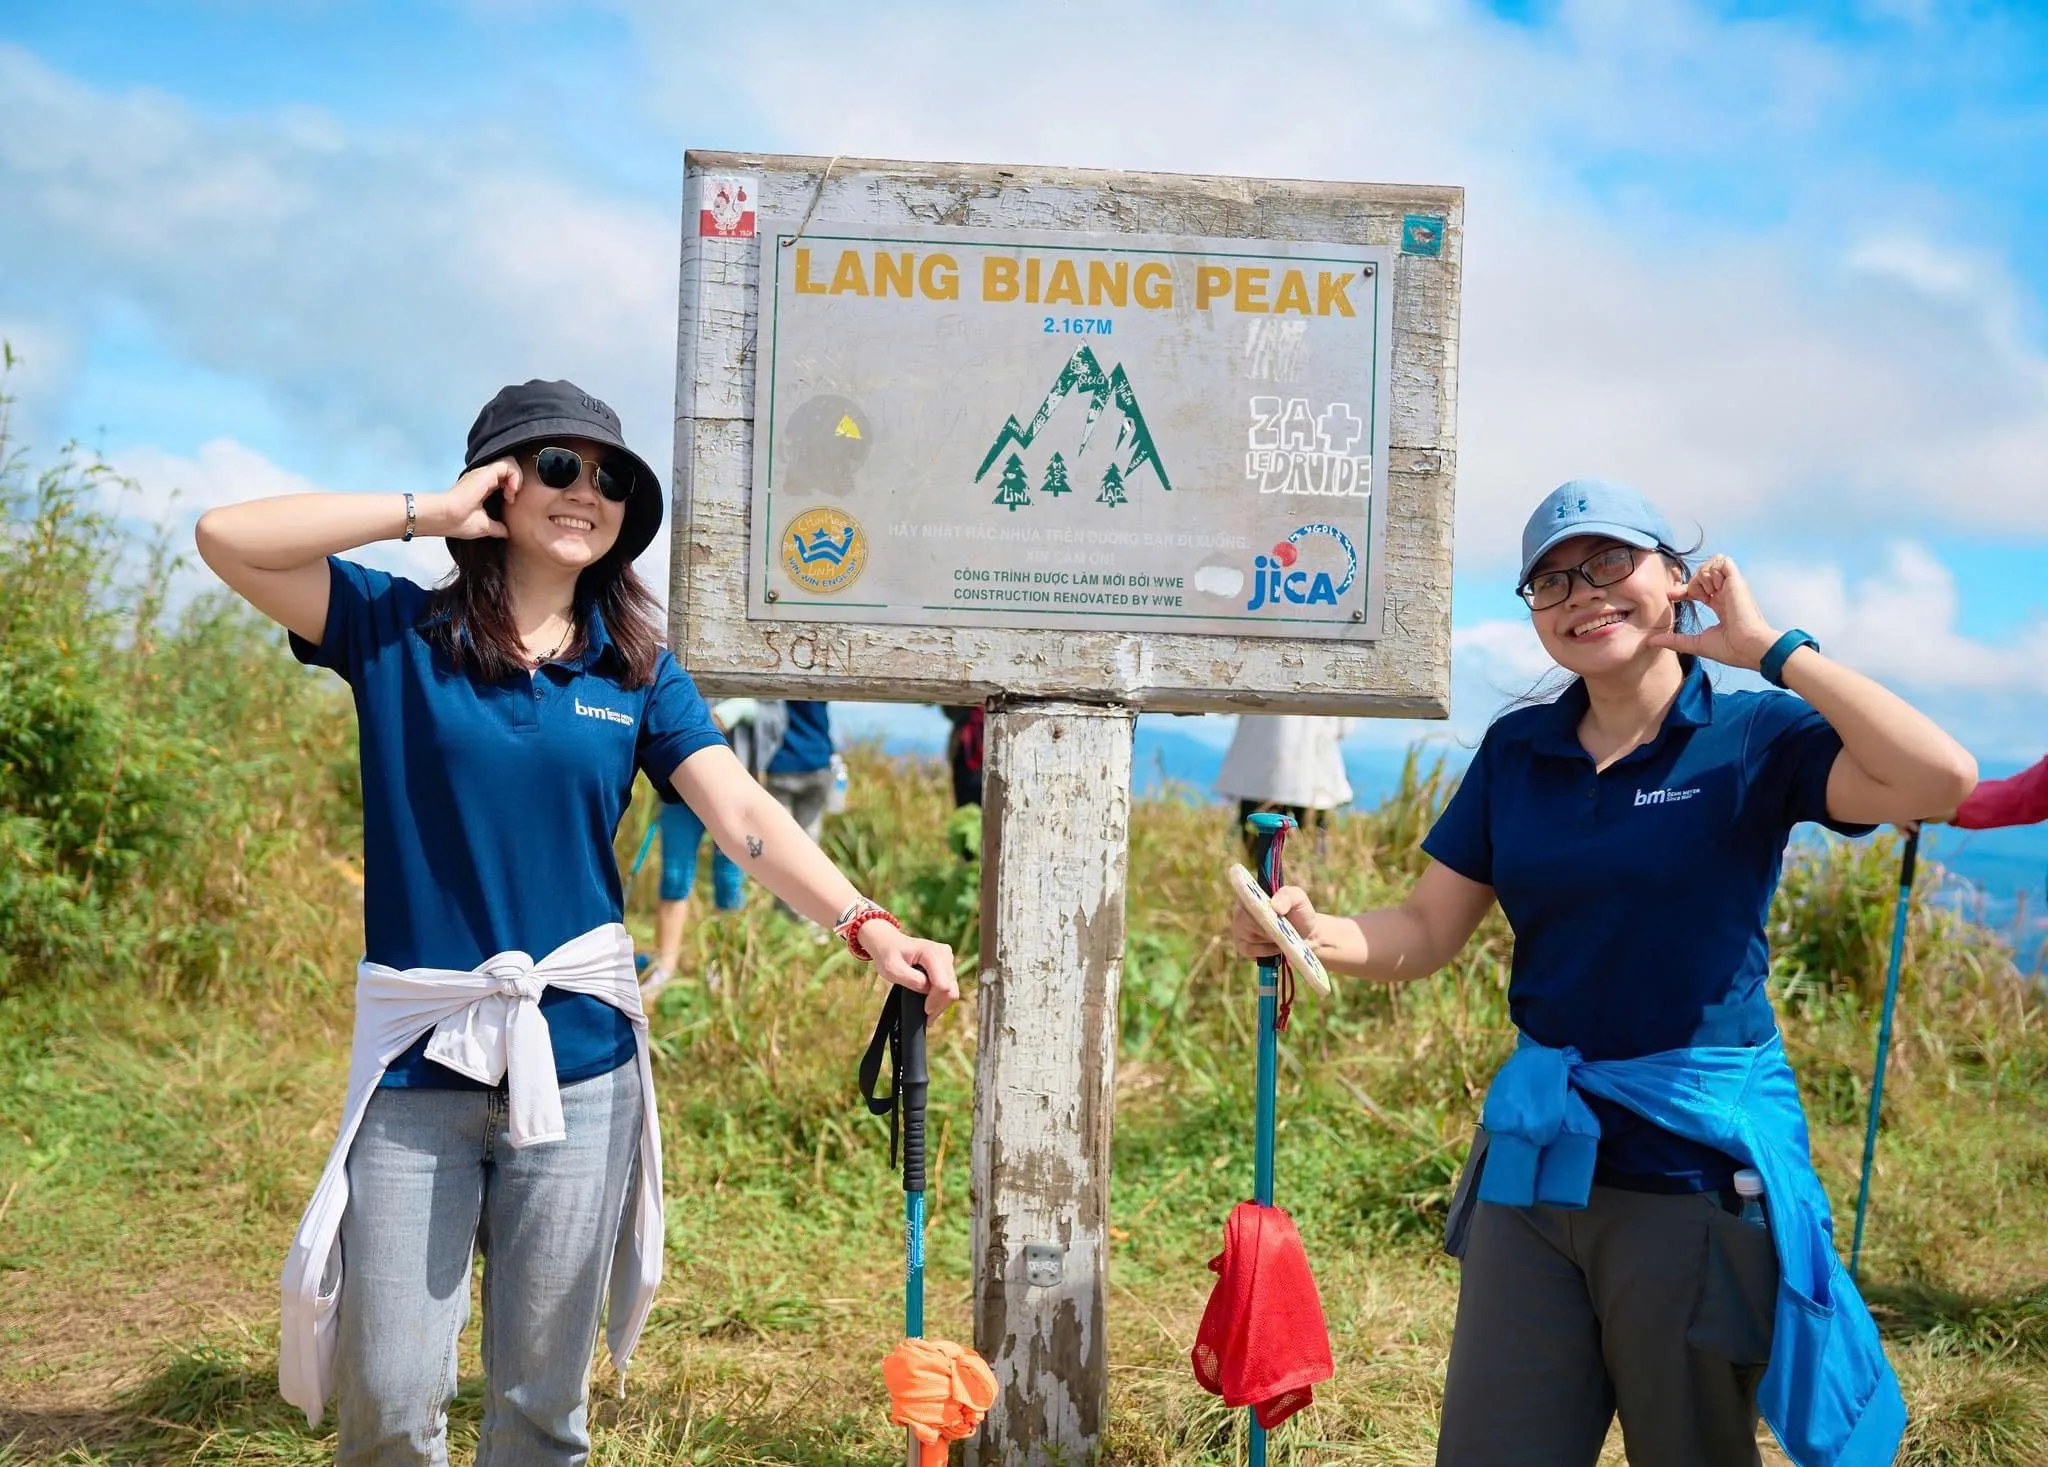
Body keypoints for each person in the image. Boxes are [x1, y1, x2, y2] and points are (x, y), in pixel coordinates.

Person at [195, 379, 958, 1465]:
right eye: (555, 466)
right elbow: (227, 538)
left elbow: (741, 814)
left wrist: (867, 924)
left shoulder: (633, 670)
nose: (584, 491)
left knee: (543, 1411)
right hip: (422, 1059)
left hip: (583, 1062)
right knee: (389, 1401)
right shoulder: (391, 629)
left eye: (608, 478)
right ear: (497, 485)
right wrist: (426, 511)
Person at [1227, 479, 1974, 1467]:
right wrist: (1313, 933)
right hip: (1533, 1167)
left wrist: (1772, 653)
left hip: (1691, 1172)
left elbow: (1940, 780)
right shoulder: (1516, 751)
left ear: (1674, 577)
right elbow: (1423, 927)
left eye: (1608, 564)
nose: (1581, 593)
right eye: (1550, 579)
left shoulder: (1750, 735)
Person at [1215, 715, 1353, 858]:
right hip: (1311, 772)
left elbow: (1225, 708)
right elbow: (1344, 725)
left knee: (1259, 855)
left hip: (1258, 772)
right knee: (1308, 853)